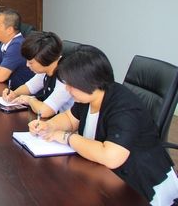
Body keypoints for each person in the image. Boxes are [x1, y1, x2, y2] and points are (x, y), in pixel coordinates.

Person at [29, 45, 178, 204]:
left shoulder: (124, 107)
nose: (67, 89)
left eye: (70, 84)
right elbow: (70, 119)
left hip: (139, 185)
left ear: (88, 82)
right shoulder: (88, 96)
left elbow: (112, 157)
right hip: (104, 174)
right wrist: (50, 126)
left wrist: (67, 138)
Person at [1, 31, 73, 117]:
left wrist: (30, 100)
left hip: (65, 122)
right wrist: (14, 94)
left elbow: (44, 112)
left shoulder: (65, 77)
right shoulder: (48, 66)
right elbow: (30, 87)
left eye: (31, 62)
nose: (27, 65)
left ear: (44, 58)